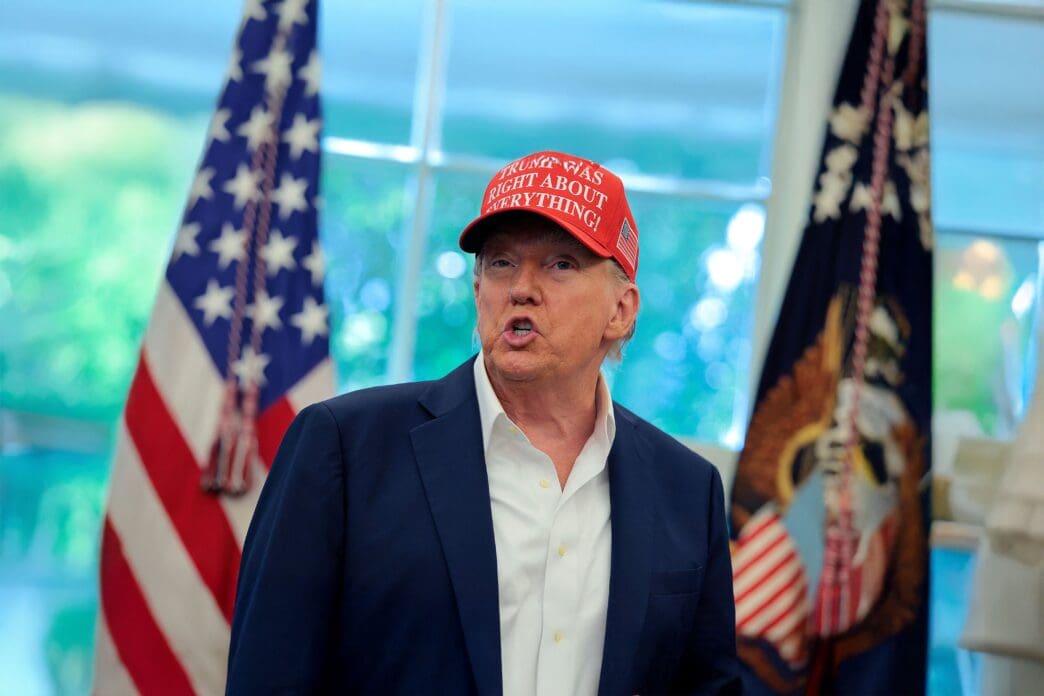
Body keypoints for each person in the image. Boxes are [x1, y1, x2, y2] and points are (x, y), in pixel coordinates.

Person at [226, 150, 740, 695]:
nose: (521, 287)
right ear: (478, 292)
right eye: (500, 263)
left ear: (621, 310)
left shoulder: (687, 488)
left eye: (560, 264)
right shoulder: (344, 447)